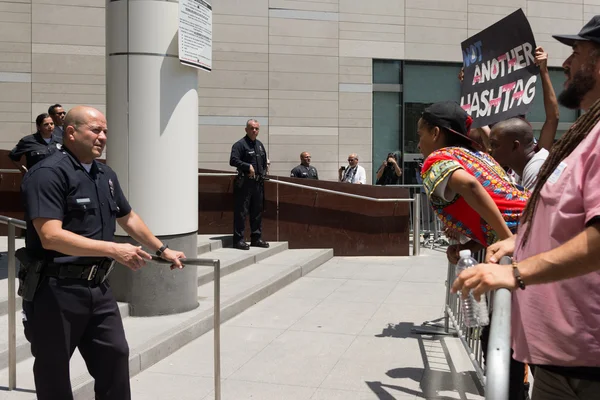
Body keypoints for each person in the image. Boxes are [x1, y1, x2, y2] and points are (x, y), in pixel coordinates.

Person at [453, 16, 600, 399]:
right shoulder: (587, 132)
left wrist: (516, 273)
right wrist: (519, 243)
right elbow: (566, 221)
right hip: (565, 363)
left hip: (587, 368)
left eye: (576, 53)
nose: (565, 64)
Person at [20, 105, 186, 400]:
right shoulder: (47, 173)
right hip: (55, 290)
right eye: (96, 130)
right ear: (71, 132)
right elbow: (50, 236)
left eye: (105, 131)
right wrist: (112, 249)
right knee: (53, 371)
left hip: (98, 288)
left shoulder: (104, 174)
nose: (103, 137)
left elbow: (128, 216)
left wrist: (163, 248)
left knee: (115, 357)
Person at [419, 101, 530, 400]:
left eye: (420, 134)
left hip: (531, 236)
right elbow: (493, 202)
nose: (418, 143)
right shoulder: (478, 155)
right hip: (536, 221)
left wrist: (510, 239)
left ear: (436, 132)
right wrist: (471, 244)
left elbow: (470, 187)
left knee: (512, 337)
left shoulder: (436, 161)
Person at [229, 119, 269, 250]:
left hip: (258, 184)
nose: (254, 131)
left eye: (256, 128)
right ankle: (238, 240)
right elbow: (233, 160)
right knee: (241, 212)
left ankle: (256, 238)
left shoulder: (260, 145)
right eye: (251, 128)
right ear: (246, 129)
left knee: (256, 212)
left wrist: (263, 171)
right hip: (244, 184)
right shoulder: (240, 145)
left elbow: (263, 162)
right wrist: (247, 166)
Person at [490, 118, 549, 190]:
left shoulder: (538, 167)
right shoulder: (518, 167)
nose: (489, 149)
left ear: (515, 146)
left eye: (495, 145)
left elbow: (527, 201)